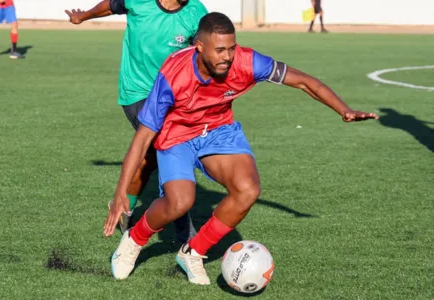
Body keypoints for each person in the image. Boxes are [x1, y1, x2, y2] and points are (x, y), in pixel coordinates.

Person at [104, 12, 378, 285]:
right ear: (199, 46)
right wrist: (121, 194)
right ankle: (135, 238)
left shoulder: (248, 62)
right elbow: (142, 139)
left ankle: (193, 252)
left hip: (219, 130)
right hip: (177, 135)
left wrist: (344, 110)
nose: (227, 56)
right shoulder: (173, 75)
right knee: (179, 202)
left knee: (248, 190)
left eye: (232, 48)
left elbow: (304, 81)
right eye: (220, 50)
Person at [64, 0, 208, 241]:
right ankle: (187, 233)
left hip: (171, 96)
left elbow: (202, 51)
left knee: (151, 157)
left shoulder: (196, 11)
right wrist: (84, 16)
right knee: (168, 148)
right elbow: (111, 6)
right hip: (137, 93)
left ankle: (124, 205)